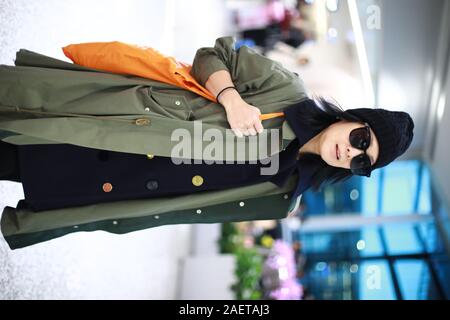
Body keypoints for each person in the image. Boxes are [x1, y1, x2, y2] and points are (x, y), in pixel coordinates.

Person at [0, 36, 413, 249]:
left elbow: (190, 209)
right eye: (361, 139)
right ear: (351, 118)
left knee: (18, 168)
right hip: (120, 125)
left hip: (116, 186)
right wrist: (231, 98)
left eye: (362, 162)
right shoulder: (286, 91)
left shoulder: (284, 197)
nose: (351, 153)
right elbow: (212, 55)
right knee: (23, 123)